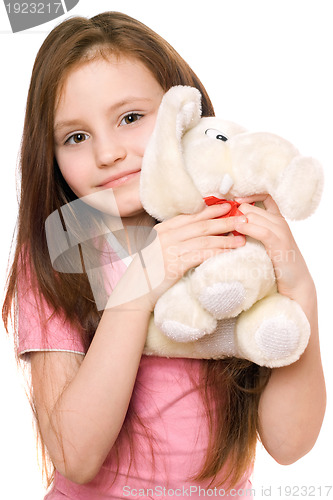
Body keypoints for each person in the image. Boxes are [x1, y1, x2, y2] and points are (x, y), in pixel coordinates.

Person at [2, 11, 326, 500]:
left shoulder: (230, 232)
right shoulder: (55, 254)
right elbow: (76, 455)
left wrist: (299, 289)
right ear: (49, 156)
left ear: (185, 116)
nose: (107, 153)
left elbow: (289, 444)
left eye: (130, 118)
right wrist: (141, 284)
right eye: (76, 137)